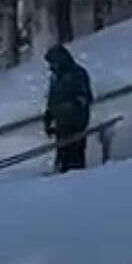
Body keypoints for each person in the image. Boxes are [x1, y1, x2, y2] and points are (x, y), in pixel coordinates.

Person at [44, 45, 93, 173]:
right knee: (62, 157)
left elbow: (83, 98)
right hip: (61, 125)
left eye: (53, 63)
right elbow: (52, 100)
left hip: (75, 124)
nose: (51, 67)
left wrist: (71, 112)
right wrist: (48, 117)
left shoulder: (77, 74)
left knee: (75, 157)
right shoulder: (55, 78)